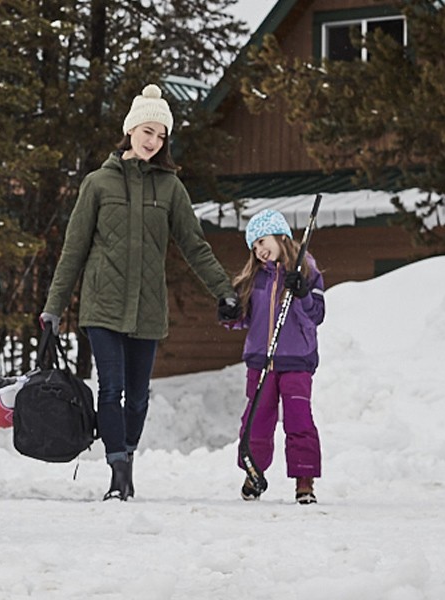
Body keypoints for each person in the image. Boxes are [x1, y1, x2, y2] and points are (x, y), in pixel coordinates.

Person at [40, 84, 239, 501]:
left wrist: (224, 290)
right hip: (103, 304)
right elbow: (73, 250)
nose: (153, 141)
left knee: (138, 396)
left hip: (147, 308)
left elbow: (194, 245)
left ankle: (127, 458)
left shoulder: (170, 189)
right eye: (148, 130)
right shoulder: (97, 184)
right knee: (110, 389)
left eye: (161, 135)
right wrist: (53, 308)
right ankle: (117, 474)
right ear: (131, 129)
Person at [225, 209, 326, 505]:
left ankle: (304, 481)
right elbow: (244, 318)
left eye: (262, 241)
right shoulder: (254, 277)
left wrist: (303, 291)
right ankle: (253, 472)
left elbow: (316, 315)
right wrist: (229, 314)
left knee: (299, 421)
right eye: (253, 246)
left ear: (281, 236)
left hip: (296, 360)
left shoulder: (307, 271)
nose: (259, 250)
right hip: (261, 361)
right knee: (256, 421)